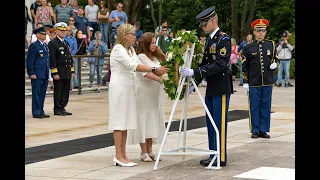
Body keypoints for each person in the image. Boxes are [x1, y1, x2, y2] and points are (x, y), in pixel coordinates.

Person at [108, 23, 169, 167]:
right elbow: (133, 66)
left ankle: (124, 155)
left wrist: (156, 69)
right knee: (119, 122)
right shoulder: (118, 49)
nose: (135, 37)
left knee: (126, 122)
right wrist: (155, 69)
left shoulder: (129, 50)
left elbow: (137, 64)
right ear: (125, 35)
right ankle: (118, 156)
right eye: (132, 35)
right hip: (120, 88)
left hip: (129, 88)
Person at [180, 6, 233, 167]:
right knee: (211, 122)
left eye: (204, 23)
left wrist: (195, 71)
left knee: (219, 123)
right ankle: (213, 153)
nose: (202, 27)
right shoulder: (210, 39)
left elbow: (220, 64)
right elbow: (205, 62)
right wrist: (193, 82)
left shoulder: (223, 39)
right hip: (212, 85)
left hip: (221, 86)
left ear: (213, 21)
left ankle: (221, 156)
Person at [127, 32, 166, 162]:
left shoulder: (154, 58)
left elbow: (164, 65)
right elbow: (146, 73)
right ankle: (143, 152)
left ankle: (150, 150)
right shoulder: (141, 57)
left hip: (154, 95)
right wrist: (161, 80)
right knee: (143, 122)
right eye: (153, 43)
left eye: (156, 43)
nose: (155, 45)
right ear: (146, 44)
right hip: (144, 95)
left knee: (152, 122)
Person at [242, 19, 278, 139]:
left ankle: (263, 129)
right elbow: (244, 66)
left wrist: (275, 64)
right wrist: (245, 81)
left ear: (266, 32)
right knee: (254, 106)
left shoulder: (271, 44)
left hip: (267, 81)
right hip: (254, 82)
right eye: (258, 31)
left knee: (265, 106)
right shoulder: (248, 47)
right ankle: (255, 130)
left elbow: (275, 58)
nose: (261, 33)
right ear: (254, 32)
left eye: (263, 30)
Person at [48, 22, 75, 116]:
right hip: (59, 71)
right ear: (56, 31)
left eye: (64, 30)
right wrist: (54, 72)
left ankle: (62, 107)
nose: (63, 32)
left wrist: (72, 70)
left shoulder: (66, 43)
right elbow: (52, 59)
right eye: (61, 30)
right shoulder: (53, 43)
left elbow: (69, 58)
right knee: (58, 90)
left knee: (65, 90)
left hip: (66, 71)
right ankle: (57, 108)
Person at [26, 27, 50, 119]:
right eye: (42, 34)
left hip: (44, 73)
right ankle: (36, 112)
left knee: (42, 93)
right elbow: (30, 60)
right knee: (36, 93)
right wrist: (31, 72)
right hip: (37, 73)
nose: (44, 36)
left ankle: (41, 110)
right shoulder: (34, 46)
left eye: (45, 34)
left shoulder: (45, 46)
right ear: (37, 34)